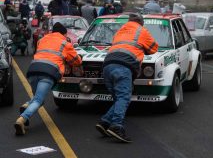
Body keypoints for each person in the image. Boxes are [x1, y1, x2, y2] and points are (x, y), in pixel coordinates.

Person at [95, 13, 158, 143]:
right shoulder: (141, 30)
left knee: (119, 99)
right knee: (124, 97)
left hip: (107, 66)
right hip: (123, 67)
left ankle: (105, 122)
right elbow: (153, 49)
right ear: (141, 22)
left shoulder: (120, 30)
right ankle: (116, 126)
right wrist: (142, 49)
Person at [14, 22, 82, 135]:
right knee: (38, 100)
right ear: (63, 33)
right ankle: (22, 119)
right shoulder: (65, 43)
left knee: (37, 98)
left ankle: (27, 106)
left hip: (33, 70)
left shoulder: (42, 40)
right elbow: (76, 61)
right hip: (49, 72)